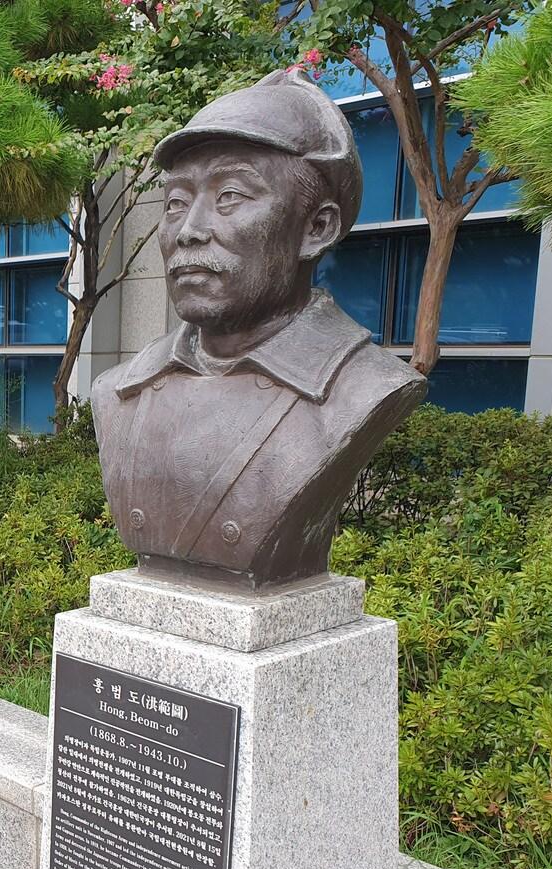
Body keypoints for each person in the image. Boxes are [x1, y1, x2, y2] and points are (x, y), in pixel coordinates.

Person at [90, 69, 427, 591]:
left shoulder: (362, 388)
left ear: (316, 228)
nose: (189, 230)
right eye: (175, 202)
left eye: (230, 196)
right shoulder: (118, 391)